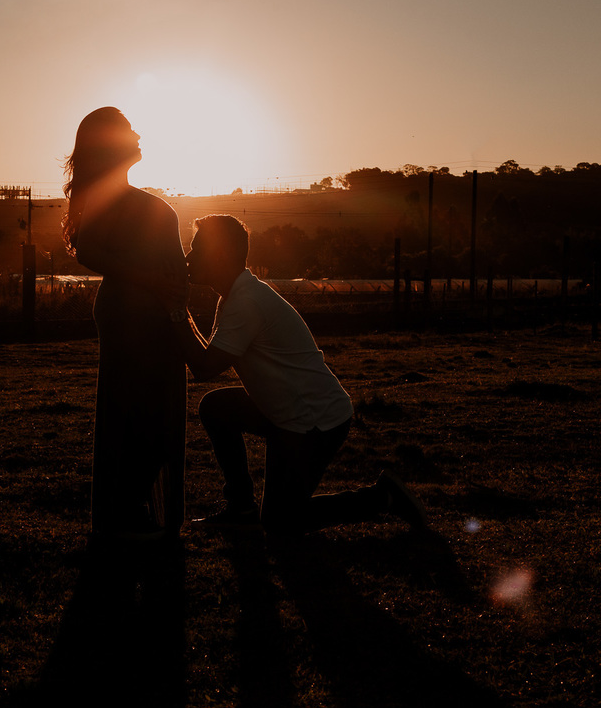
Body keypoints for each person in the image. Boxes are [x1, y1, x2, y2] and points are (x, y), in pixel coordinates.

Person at [162, 213, 425, 536]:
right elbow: (209, 356)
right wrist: (180, 311)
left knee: (282, 522)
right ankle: (241, 507)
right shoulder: (234, 295)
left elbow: (204, 368)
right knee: (216, 407)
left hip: (314, 422)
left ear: (221, 255)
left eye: (197, 249)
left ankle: (382, 497)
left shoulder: (245, 302)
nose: (189, 259)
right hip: (285, 410)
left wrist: (176, 310)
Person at [62, 107, 187, 542]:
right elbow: (89, 252)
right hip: (129, 317)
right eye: (128, 130)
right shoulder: (104, 196)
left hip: (158, 314)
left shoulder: (135, 197)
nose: (138, 135)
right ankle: (129, 507)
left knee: (157, 413)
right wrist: (150, 279)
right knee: (138, 414)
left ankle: (135, 508)